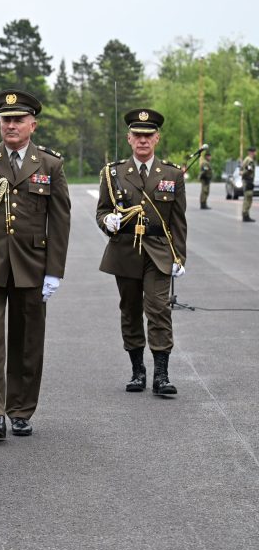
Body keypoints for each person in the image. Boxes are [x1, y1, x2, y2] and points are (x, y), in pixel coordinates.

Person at [0, 90, 71, 439]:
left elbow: (59, 222)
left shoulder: (50, 164)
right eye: (5, 119)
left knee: (28, 342)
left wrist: (55, 271)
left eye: (17, 119)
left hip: (32, 265)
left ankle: (21, 410)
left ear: (32, 124)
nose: (10, 125)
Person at [96, 109, 187, 397]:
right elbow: (102, 210)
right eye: (138, 135)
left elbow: (178, 220)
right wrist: (107, 222)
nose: (143, 140)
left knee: (159, 308)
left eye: (148, 136)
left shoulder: (172, 174)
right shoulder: (114, 173)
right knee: (130, 309)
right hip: (125, 250)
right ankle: (138, 370)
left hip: (159, 251)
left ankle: (161, 373)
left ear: (157, 138)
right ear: (129, 139)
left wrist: (179, 257)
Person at [242, 147, 256, 222]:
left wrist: (242, 174)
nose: (255, 153)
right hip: (248, 181)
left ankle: (245, 214)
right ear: (252, 152)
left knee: (246, 198)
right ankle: (245, 215)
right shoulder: (250, 160)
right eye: (254, 152)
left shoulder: (246, 159)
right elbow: (248, 170)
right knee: (248, 199)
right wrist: (243, 174)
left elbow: (243, 169)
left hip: (246, 181)